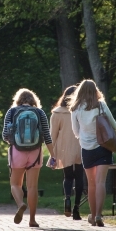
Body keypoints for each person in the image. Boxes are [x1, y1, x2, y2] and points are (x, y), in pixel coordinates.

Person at [2, 88, 55, 228]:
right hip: (35, 153)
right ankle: (32, 219)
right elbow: (47, 137)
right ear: (34, 100)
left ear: (17, 100)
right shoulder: (39, 112)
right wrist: (53, 155)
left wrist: (14, 141)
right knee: (32, 187)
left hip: (17, 151)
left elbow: (5, 135)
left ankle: (20, 204)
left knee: (15, 184)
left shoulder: (12, 112)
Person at [69, 79, 116, 227]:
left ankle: (92, 214)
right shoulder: (101, 105)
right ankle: (98, 216)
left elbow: (76, 132)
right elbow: (113, 124)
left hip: (87, 149)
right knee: (101, 182)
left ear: (80, 91)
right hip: (104, 146)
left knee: (91, 184)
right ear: (95, 90)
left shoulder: (76, 108)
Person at [50, 85, 83, 220]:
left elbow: (52, 135)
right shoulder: (82, 110)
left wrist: (52, 153)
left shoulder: (57, 113)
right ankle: (76, 208)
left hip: (64, 148)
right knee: (80, 178)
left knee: (68, 177)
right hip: (80, 146)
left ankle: (67, 198)